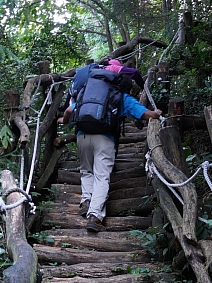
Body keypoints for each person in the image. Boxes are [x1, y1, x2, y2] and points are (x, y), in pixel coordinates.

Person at [58, 61, 161, 232]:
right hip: (104, 138)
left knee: (86, 171)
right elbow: (145, 114)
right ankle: (95, 215)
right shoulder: (120, 96)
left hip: (82, 135)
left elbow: (69, 111)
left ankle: (86, 200)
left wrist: (64, 121)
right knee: (101, 176)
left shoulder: (89, 93)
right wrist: (156, 113)